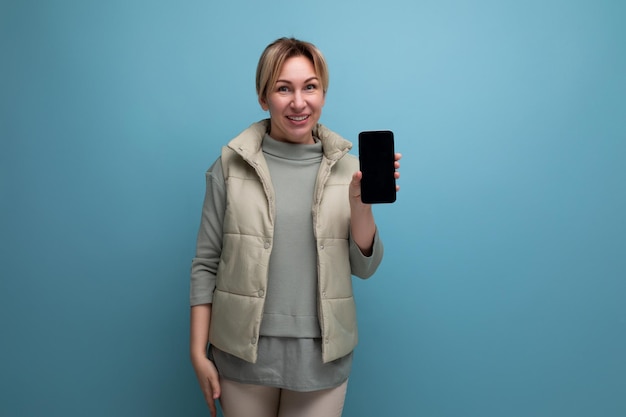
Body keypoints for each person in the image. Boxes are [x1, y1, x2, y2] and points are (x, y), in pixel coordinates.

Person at [190, 37, 401, 417]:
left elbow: (365, 267)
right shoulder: (229, 165)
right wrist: (196, 352)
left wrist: (360, 205)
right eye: (283, 88)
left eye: (310, 87)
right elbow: (206, 263)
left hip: (322, 354)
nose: (298, 102)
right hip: (241, 353)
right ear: (262, 96)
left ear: (323, 92)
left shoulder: (348, 169)